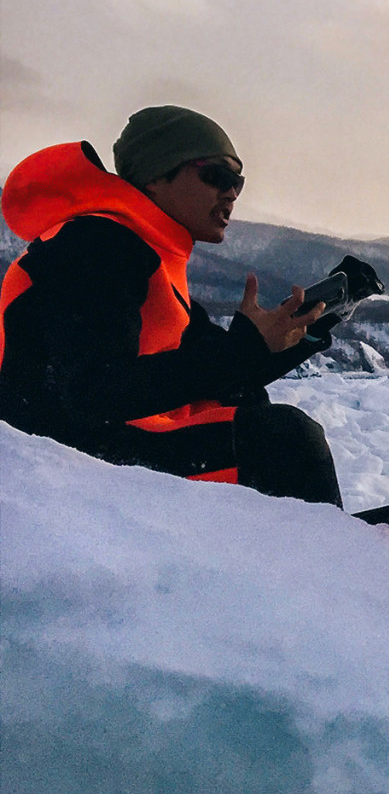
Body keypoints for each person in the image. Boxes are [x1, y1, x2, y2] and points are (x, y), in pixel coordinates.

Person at [0, 106, 342, 503]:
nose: (230, 192)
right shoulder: (94, 245)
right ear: (155, 176)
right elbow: (91, 391)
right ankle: (334, 558)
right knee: (283, 438)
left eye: (238, 182)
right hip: (57, 460)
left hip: (101, 440)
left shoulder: (149, 257)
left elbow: (221, 367)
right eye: (217, 176)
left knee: (244, 403)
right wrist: (243, 351)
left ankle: (345, 547)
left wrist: (306, 330)